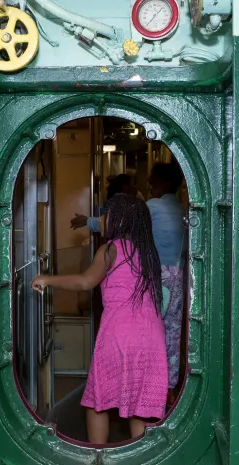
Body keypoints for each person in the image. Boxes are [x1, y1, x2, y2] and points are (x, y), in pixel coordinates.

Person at [32, 194, 168, 443]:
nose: (100, 220)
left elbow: (86, 281)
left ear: (117, 221)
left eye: (105, 215)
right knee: (140, 405)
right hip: (152, 337)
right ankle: (139, 463)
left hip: (119, 333)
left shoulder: (110, 249)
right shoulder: (148, 253)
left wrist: (46, 279)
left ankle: (98, 457)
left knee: (97, 401)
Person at [146, 163, 187, 392]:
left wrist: (90, 222)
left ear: (165, 183)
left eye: (154, 181)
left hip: (153, 275)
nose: (150, 185)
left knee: (148, 328)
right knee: (172, 332)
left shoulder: (151, 207)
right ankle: (168, 387)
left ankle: (147, 383)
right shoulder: (184, 211)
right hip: (178, 276)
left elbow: (125, 225)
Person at [70, 173, 138, 232]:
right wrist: (87, 221)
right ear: (125, 187)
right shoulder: (117, 203)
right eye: (134, 184)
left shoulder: (132, 204)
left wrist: (87, 221)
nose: (136, 187)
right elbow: (106, 222)